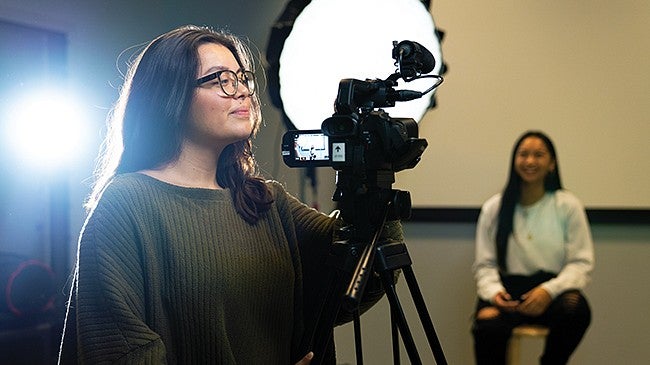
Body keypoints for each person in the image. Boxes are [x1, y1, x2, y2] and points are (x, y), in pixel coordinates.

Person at [58, 25, 401, 364]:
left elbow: (355, 281)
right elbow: (121, 352)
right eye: (221, 79)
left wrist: (373, 185)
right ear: (171, 95)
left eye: (242, 78)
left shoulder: (266, 201)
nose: (241, 91)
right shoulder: (126, 205)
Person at [471, 130, 594, 365]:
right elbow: (485, 265)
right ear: (514, 160)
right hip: (505, 294)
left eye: (538, 155)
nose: (530, 161)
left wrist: (548, 291)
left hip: (550, 292)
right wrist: (493, 293)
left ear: (552, 163)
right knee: (487, 325)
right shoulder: (494, 208)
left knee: (576, 310)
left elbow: (580, 263)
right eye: (523, 154)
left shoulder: (567, 205)